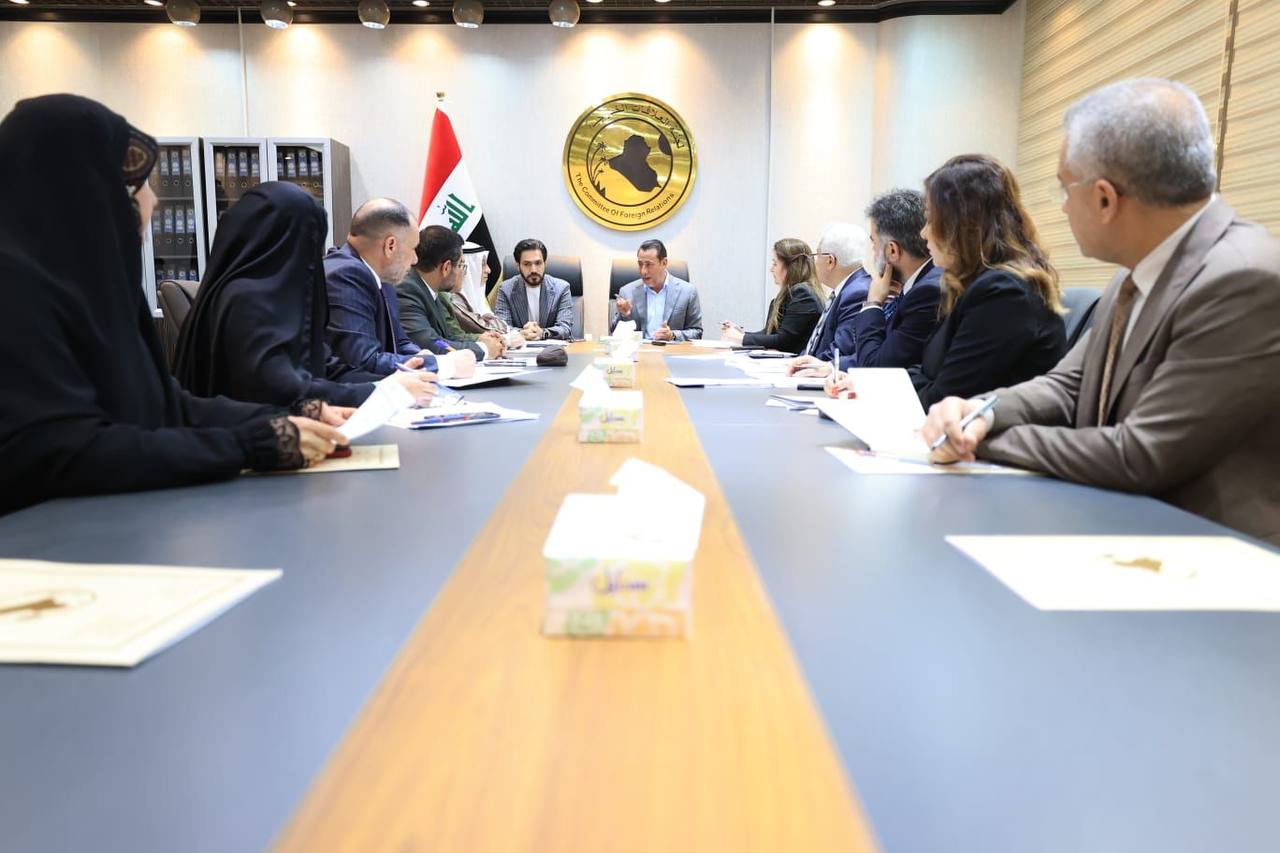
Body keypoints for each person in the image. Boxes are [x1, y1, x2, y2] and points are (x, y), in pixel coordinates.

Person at [923, 78, 1280, 544]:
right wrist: (979, 411)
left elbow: (1140, 454)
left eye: (1064, 189)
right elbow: (1068, 385)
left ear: (1106, 199)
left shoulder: (1241, 278)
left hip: (1207, 549)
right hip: (1120, 521)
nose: (1063, 208)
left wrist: (977, 439)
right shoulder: (1139, 268)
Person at [0, 95, 349, 514]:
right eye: (136, 184)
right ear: (84, 189)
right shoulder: (15, 289)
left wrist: (286, 416)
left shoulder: (97, 288)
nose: (152, 201)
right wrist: (246, 446)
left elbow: (167, 406)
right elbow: (59, 451)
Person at [175, 182, 438, 409]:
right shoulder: (246, 301)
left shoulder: (272, 298)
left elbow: (326, 367)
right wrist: (386, 392)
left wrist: (389, 384)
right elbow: (285, 390)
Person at [829, 156, 1065, 406]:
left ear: (961, 224)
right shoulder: (972, 285)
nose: (923, 233)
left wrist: (874, 389)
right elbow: (927, 371)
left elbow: (943, 397)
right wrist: (871, 386)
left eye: (931, 220)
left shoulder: (1003, 292)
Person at [324, 198, 474, 379]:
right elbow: (362, 362)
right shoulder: (346, 275)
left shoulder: (382, 277)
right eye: (413, 248)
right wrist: (442, 365)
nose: (415, 259)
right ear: (390, 246)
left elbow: (400, 342)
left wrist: (421, 355)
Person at [397, 225, 507, 361]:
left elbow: (445, 338)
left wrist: (481, 341)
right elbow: (430, 343)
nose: (462, 272)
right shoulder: (407, 290)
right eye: (461, 265)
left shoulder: (431, 290)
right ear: (446, 268)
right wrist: (484, 350)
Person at [786, 223, 871, 375]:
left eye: (817, 255)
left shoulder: (857, 293)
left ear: (830, 261)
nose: (814, 262)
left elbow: (837, 353)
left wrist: (803, 366)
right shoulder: (848, 289)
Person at [722, 238, 825, 352]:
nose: (771, 269)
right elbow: (769, 333)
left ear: (791, 267)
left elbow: (783, 341)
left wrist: (740, 338)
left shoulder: (803, 294)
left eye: (775, 264)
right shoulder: (792, 293)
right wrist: (741, 333)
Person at [611, 239, 703, 341]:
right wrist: (623, 315)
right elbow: (613, 332)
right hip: (639, 349)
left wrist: (673, 335)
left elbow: (697, 332)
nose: (643, 271)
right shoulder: (627, 292)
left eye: (649, 264)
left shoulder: (688, 292)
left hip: (671, 349)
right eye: (640, 264)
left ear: (664, 263)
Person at [493, 238, 575, 340]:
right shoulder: (505, 289)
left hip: (552, 348)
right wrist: (522, 333)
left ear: (545, 263)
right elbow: (502, 328)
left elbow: (565, 328)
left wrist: (543, 333)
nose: (533, 270)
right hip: (519, 347)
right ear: (518, 266)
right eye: (527, 264)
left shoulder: (562, 288)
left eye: (538, 263)